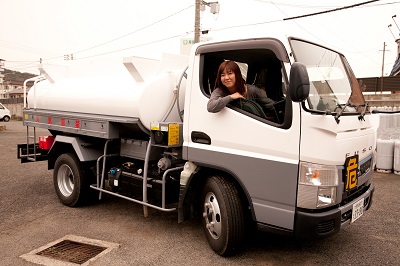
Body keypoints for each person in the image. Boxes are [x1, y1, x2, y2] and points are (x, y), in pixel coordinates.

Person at [207, 60, 275, 113]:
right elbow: (210, 107)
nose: (226, 78)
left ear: (237, 75)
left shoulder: (252, 90)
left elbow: (272, 106)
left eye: (230, 73)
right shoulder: (220, 91)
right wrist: (231, 97)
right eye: (222, 75)